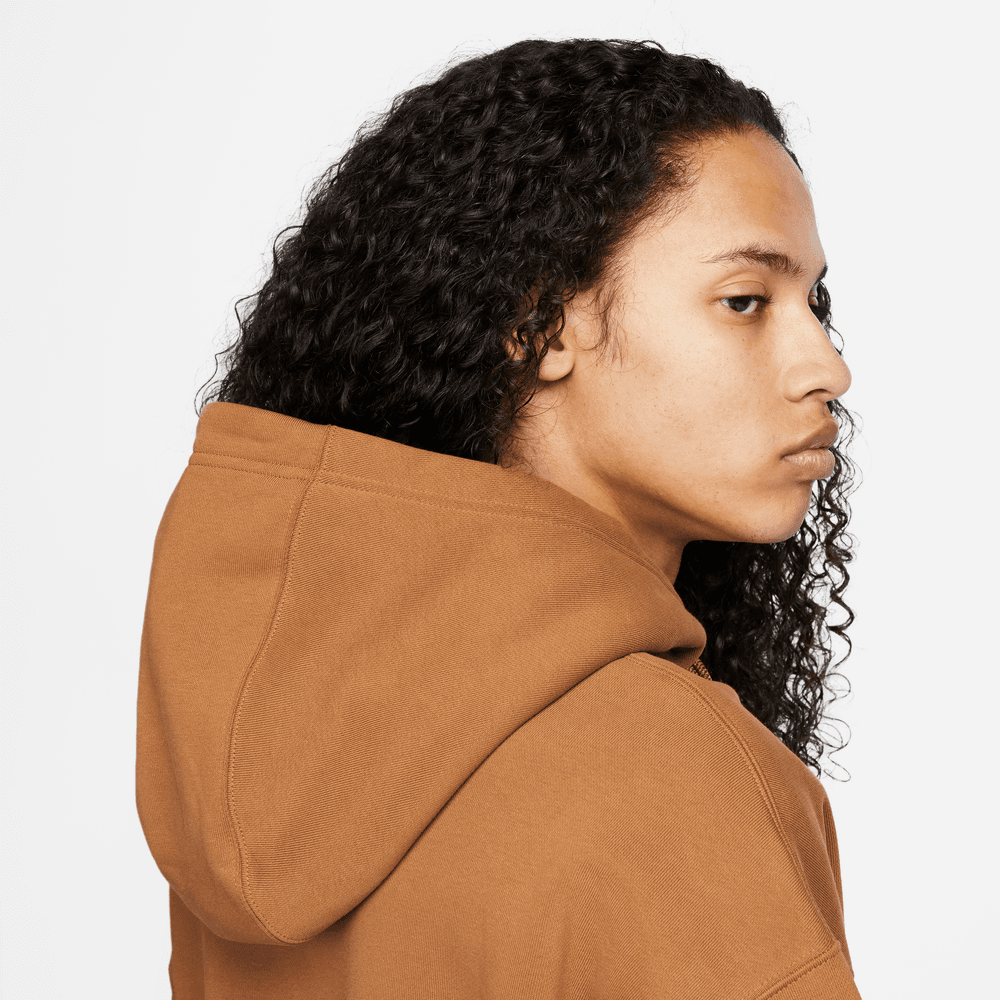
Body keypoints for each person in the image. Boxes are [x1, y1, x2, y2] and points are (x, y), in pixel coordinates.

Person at [136, 37, 862, 998]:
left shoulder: (277, 753)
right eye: (745, 300)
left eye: (814, 302)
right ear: (538, 324)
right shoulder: (667, 771)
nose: (826, 366)